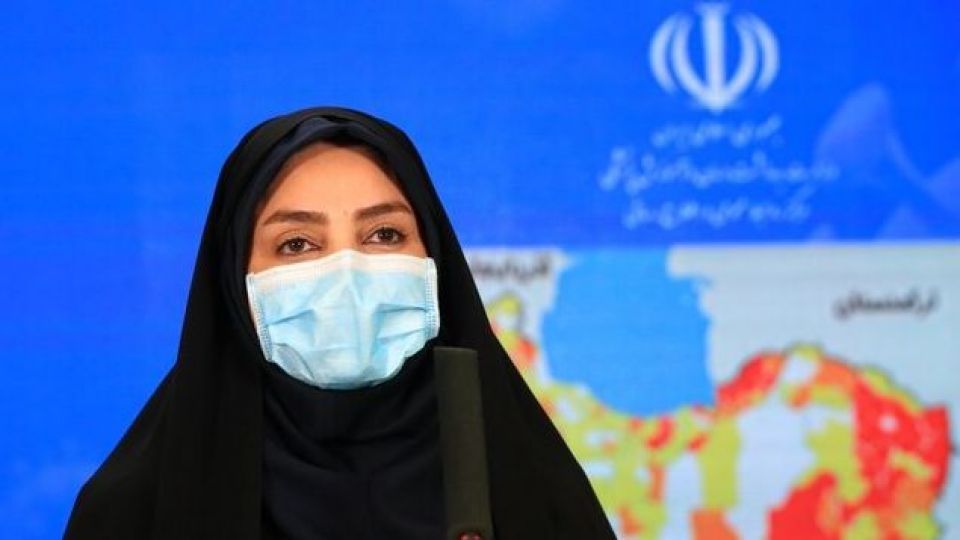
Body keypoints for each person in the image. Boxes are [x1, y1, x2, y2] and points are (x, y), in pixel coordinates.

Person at [64, 107, 615, 539]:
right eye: (297, 244)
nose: (346, 271)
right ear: (233, 281)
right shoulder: (134, 512)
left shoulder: (532, 497)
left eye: (384, 235)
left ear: (436, 257)